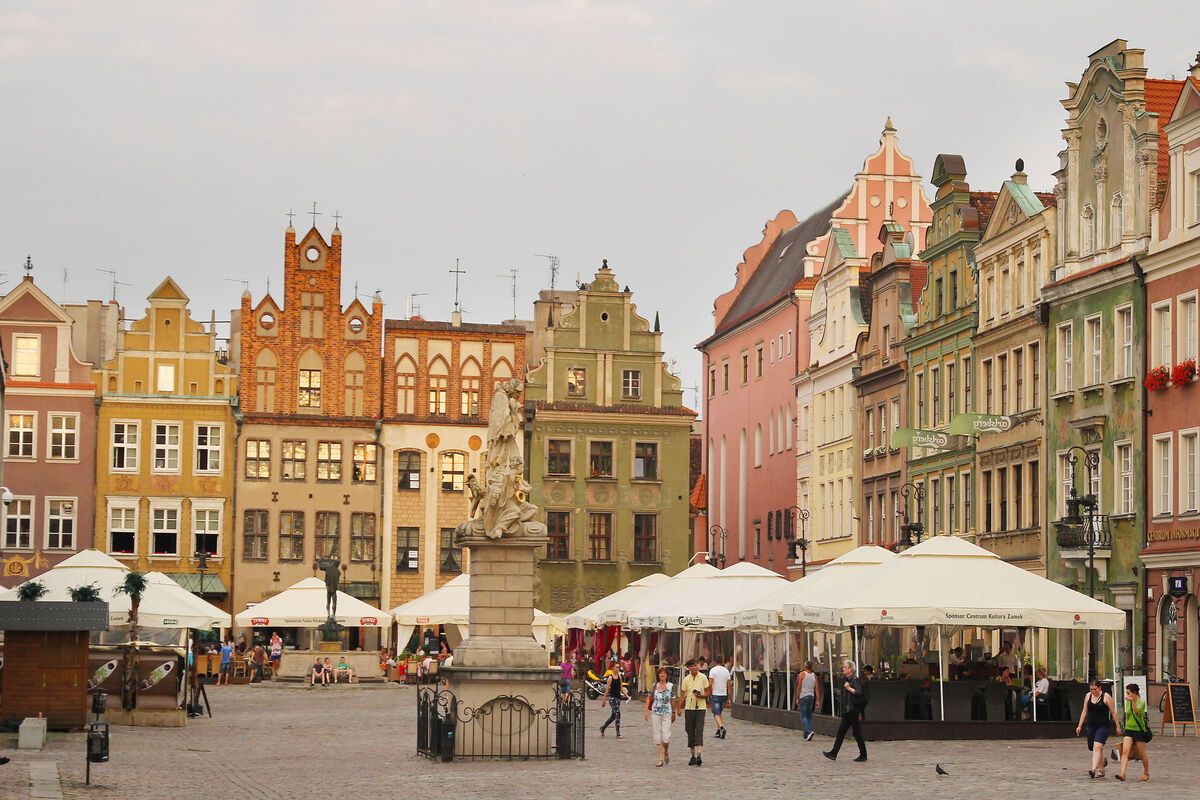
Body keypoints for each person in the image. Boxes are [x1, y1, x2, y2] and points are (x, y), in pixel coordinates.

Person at [823, 660, 867, 763]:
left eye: (845, 667)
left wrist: (848, 688)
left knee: (857, 732)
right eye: (843, 667)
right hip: (848, 710)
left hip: (852, 710)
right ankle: (834, 753)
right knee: (842, 732)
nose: (843, 669)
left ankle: (863, 754)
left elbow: (859, 692)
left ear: (851, 669)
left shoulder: (854, 680)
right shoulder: (849, 679)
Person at [1076, 678, 1120, 779]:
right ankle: (1101, 768)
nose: (1093, 691)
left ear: (1100, 688)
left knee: (1097, 747)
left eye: (1095, 689)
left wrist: (1118, 726)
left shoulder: (1106, 696)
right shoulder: (1088, 696)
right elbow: (1084, 711)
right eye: (1091, 689)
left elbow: (1113, 712)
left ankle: (1093, 770)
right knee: (1093, 747)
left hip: (1103, 726)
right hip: (1091, 726)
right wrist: (1079, 725)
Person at [1116, 683, 1151, 782]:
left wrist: (1132, 702)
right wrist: (1125, 726)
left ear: (1135, 693)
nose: (1127, 695)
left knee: (1142, 753)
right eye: (1126, 693)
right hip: (1129, 729)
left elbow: (1136, 712)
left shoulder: (1141, 702)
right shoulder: (1127, 702)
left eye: (1129, 693)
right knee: (1125, 751)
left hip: (1139, 730)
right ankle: (1122, 773)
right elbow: (1127, 715)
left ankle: (1146, 773)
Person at [643, 666, 676, 767]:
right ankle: (661, 758)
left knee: (666, 737)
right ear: (658, 675)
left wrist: (674, 712)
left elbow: (673, 700)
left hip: (667, 713)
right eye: (660, 673)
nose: (662, 675)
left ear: (666, 675)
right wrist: (646, 711)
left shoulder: (671, 686)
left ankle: (666, 750)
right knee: (657, 735)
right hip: (656, 712)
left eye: (664, 673)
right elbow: (649, 698)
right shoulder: (654, 686)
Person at [680, 659, 710, 766]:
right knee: (690, 731)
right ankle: (692, 755)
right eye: (692, 666)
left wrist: (701, 695)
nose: (694, 667)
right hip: (689, 708)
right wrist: (679, 707)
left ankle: (699, 755)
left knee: (699, 730)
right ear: (688, 668)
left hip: (700, 707)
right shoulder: (686, 680)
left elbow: (708, 692)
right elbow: (683, 694)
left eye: (695, 665)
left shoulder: (703, 677)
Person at [795, 660, 821, 741]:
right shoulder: (814, 676)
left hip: (804, 696)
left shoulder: (802, 674)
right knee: (809, 715)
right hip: (811, 697)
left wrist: (798, 698)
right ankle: (806, 734)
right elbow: (816, 689)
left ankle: (809, 731)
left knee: (803, 716)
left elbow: (798, 687)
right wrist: (817, 700)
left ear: (805, 666)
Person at [599, 657, 624, 739]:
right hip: (612, 698)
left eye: (618, 667)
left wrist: (626, 695)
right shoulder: (610, 678)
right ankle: (618, 733)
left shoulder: (619, 677)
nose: (618, 668)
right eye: (616, 667)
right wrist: (604, 700)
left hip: (618, 698)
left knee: (613, 716)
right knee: (618, 714)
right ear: (613, 668)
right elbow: (607, 690)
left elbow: (621, 687)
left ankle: (603, 728)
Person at [708, 654, 732, 739]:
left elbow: (710, 684)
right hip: (723, 694)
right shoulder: (726, 671)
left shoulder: (712, 671)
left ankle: (721, 728)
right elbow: (729, 686)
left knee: (716, 713)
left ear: (715, 661)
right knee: (719, 713)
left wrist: (710, 693)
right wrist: (729, 698)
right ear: (722, 661)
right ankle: (718, 731)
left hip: (716, 694)